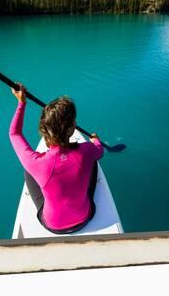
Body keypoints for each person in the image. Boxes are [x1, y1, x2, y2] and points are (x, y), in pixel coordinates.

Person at [8, 83, 104, 234]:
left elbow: (14, 134)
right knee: (93, 162)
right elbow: (100, 151)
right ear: (72, 128)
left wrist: (22, 103)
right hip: (85, 218)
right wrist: (96, 141)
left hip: (53, 226)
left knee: (28, 169)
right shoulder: (87, 150)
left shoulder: (36, 163)